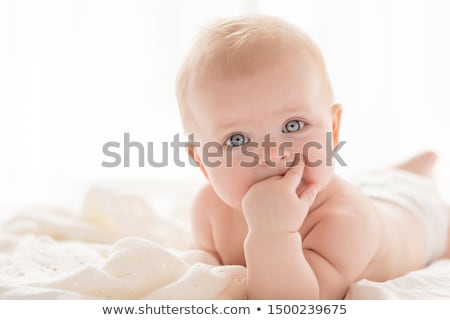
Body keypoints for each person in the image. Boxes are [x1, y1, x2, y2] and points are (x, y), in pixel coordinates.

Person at [174, 15, 450, 299]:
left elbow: (296, 305)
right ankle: (409, 171)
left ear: (332, 129)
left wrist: (272, 233)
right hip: (372, 187)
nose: (272, 155)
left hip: (417, 217)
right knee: (383, 181)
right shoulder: (209, 211)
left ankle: (415, 173)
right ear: (203, 161)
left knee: (416, 199)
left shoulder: (344, 220)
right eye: (237, 140)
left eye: (292, 126)